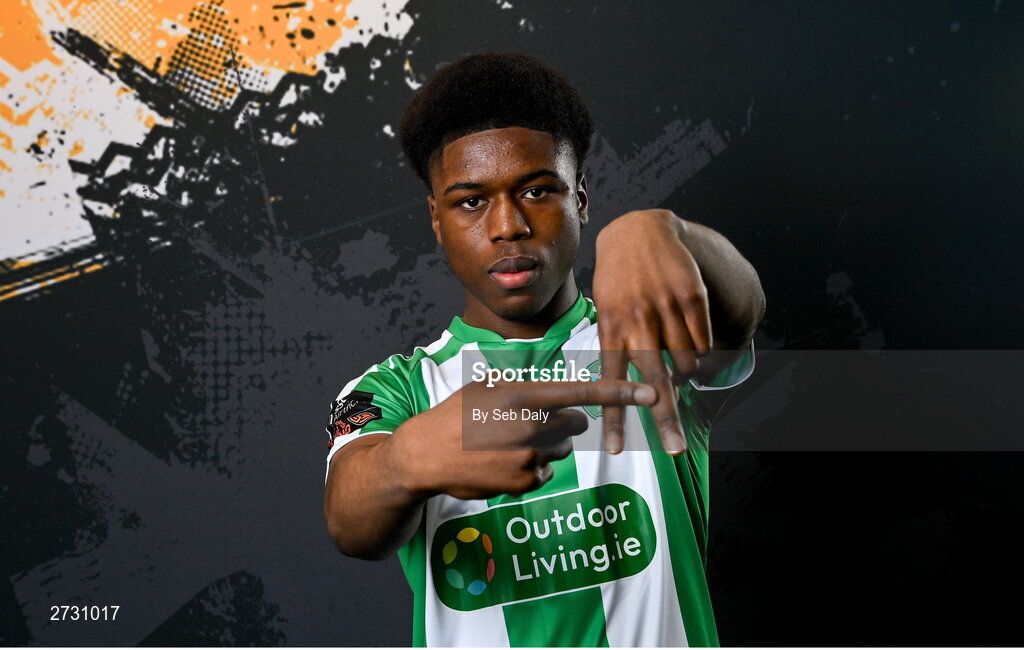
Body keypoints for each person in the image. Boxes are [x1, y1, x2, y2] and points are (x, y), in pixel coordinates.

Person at [323, 52, 765, 647]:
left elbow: (740, 318)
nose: (507, 225)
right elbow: (351, 522)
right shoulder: (398, 390)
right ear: (436, 218)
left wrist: (665, 231)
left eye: (535, 190)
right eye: (471, 201)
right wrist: (404, 462)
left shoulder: (645, 341)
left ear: (579, 198)